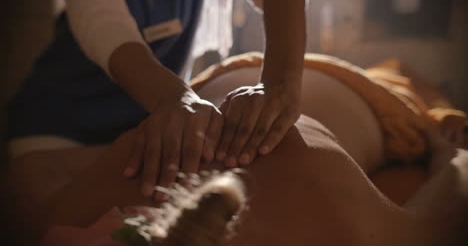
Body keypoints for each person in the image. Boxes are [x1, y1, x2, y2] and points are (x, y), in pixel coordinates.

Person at [6, 56, 468, 245]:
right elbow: (455, 182)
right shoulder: (73, 208)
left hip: (232, 89)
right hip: (244, 86)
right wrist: (440, 144)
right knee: (408, 77)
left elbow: (455, 179)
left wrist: (443, 150)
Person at [7, 0, 307, 201]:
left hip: (149, 121)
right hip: (60, 127)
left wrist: (281, 82)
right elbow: (101, 20)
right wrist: (176, 98)